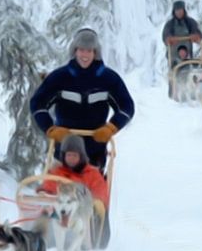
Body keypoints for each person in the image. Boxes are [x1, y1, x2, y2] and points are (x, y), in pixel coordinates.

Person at [29, 27, 135, 172]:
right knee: (58, 188)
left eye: (89, 50)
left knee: (92, 191)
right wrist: (50, 128)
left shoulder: (109, 79)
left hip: (95, 148)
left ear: (95, 53)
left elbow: (127, 107)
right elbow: (37, 103)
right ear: (74, 51)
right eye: (81, 50)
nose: (85, 55)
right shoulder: (59, 77)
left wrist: (111, 127)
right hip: (64, 147)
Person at [39, 134, 109, 210]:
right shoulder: (57, 173)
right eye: (69, 155)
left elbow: (100, 195)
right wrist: (44, 194)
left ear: (81, 157)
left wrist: (93, 203)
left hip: (84, 212)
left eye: (74, 155)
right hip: (59, 211)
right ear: (64, 156)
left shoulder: (92, 174)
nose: (71, 158)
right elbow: (48, 188)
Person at [162, 0, 202, 64]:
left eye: (180, 10)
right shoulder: (170, 24)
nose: (179, 12)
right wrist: (169, 39)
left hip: (188, 55)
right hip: (174, 57)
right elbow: (165, 36)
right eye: (177, 10)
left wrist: (195, 36)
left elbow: (197, 32)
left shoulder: (190, 22)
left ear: (184, 10)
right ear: (174, 12)